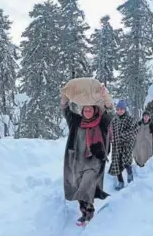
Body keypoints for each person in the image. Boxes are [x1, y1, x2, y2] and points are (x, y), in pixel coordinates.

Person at [60, 93, 114, 225]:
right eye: (85, 109)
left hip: (94, 160)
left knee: (87, 185)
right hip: (78, 160)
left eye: (90, 109)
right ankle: (83, 210)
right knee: (78, 187)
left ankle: (89, 212)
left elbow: (110, 112)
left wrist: (106, 97)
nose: (87, 112)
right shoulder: (76, 121)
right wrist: (64, 100)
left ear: (95, 110)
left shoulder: (101, 122)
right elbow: (65, 111)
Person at [108, 100, 139, 191]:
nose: (120, 111)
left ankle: (130, 174)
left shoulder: (130, 119)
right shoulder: (114, 120)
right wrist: (111, 138)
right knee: (116, 163)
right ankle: (120, 182)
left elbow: (134, 130)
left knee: (126, 161)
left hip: (126, 144)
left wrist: (123, 135)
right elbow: (111, 131)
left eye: (121, 109)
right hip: (116, 145)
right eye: (118, 109)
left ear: (125, 109)